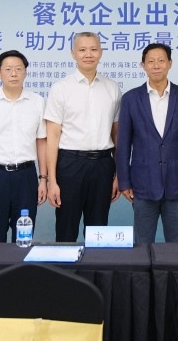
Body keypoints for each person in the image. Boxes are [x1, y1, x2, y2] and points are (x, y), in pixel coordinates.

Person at [116, 43, 178, 244]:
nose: (156, 65)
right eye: (151, 61)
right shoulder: (130, 98)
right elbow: (123, 144)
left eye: (161, 61)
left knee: (177, 244)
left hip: (177, 183)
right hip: (142, 183)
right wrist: (124, 181)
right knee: (142, 243)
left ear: (170, 63)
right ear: (143, 65)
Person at [44, 32, 122, 242]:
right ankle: (64, 265)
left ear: (101, 52)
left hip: (103, 165)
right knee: (66, 228)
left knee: (98, 230)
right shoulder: (61, 88)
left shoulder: (112, 88)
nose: (88, 54)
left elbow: (117, 134)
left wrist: (118, 175)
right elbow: (52, 138)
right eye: (82, 50)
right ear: (73, 53)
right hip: (70, 164)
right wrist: (52, 181)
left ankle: (95, 265)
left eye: (93, 49)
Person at [0, 50, 48, 243]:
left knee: (24, 235)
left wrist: (43, 179)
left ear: (25, 72)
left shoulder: (37, 102)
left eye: (19, 69)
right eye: (8, 69)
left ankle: (20, 264)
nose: (14, 74)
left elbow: (41, 142)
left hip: (26, 177)